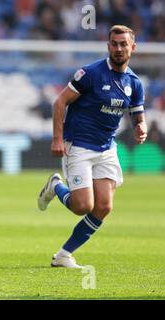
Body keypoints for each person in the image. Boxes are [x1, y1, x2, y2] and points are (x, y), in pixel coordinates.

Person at [37, 25, 147, 268]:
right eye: (114, 44)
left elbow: (137, 114)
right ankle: (56, 186)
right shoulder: (90, 74)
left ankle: (64, 255)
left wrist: (141, 127)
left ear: (133, 48)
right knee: (83, 206)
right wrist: (57, 139)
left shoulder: (135, 83)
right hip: (79, 145)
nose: (118, 49)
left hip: (106, 148)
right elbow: (60, 102)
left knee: (104, 207)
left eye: (123, 44)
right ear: (108, 46)